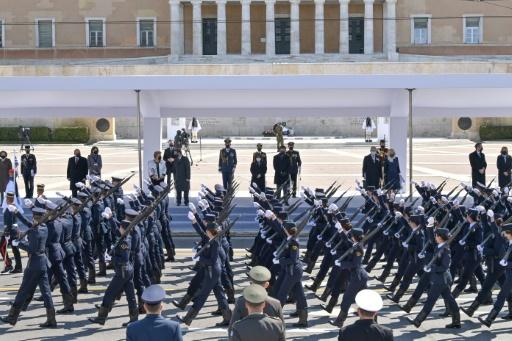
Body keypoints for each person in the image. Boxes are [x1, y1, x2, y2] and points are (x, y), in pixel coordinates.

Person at [0, 206, 56, 328]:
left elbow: (31, 248)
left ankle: (12, 317)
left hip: (34, 264)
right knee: (46, 292)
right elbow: (29, 224)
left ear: (35, 217)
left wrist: (18, 243)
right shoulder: (43, 227)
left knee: (23, 291)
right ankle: (51, 319)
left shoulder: (35, 230)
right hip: (43, 263)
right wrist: (17, 212)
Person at [407, 228, 461, 329]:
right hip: (441, 279)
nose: (435, 237)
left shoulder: (445, 249)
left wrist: (431, 268)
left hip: (441, 279)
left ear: (440, 237)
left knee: (431, 300)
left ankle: (418, 320)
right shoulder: (439, 246)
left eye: (436, 235)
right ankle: (456, 320)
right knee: (449, 298)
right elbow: (436, 259)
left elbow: (444, 266)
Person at [229, 266, 284, 334]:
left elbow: (232, 329)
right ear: (267, 284)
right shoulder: (275, 303)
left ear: (251, 283)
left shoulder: (241, 301)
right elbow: (281, 330)